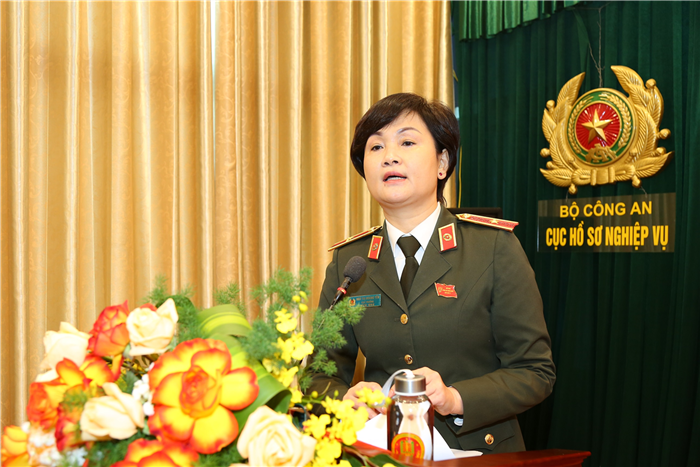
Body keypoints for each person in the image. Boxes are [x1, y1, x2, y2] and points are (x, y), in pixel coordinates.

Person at [307, 92, 555, 454]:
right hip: (383, 455)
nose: (389, 156)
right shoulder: (351, 261)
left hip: (478, 454)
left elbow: (534, 372)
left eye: (406, 142)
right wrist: (345, 400)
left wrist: (455, 398)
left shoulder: (493, 248)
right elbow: (317, 373)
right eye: (376, 147)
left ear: (442, 163)